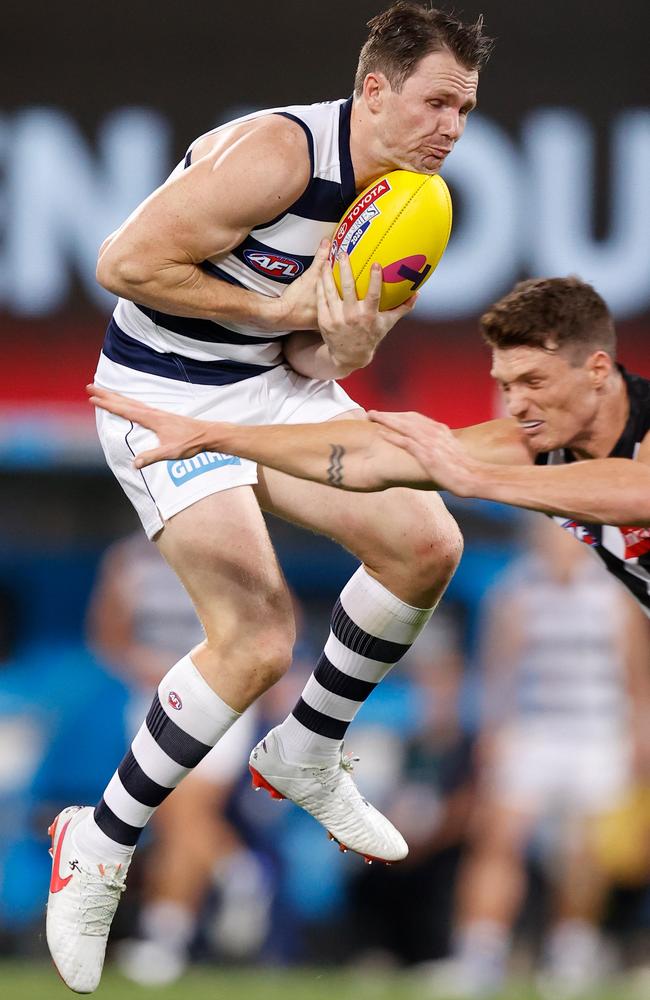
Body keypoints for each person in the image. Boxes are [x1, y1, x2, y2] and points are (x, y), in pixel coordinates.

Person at [47, 3, 493, 992]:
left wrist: (348, 342)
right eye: (435, 103)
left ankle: (306, 748)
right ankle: (101, 837)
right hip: (157, 392)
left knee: (426, 543)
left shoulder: (417, 198)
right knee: (254, 637)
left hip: (270, 388)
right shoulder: (277, 153)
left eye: (463, 109)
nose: (450, 128)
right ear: (374, 91)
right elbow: (121, 263)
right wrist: (281, 308)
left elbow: (306, 348)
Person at [91, 276, 650, 624]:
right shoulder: (533, 442)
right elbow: (369, 459)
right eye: (507, 386)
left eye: (534, 382)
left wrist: (476, 479)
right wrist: (217, 435)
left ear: (598, 370)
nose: (517, 404)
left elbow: (637, 489)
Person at [430, 517, 650, 998]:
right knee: (498, 840)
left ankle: (571, 950)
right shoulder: (515, 591)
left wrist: (639, 736)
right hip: (531, 733)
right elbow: (497, 672)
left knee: (585, 852)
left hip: (597, 735)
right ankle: (480, 954)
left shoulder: (613, 593)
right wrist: (492, 733)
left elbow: (635, 676)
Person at [86, 533, 268, 985]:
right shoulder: (127, 558)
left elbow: (275, 618)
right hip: (153, 698)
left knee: (187, 810)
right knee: (171, 819)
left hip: (221, 695)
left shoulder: (229, 540)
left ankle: (166, 938)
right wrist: (142, 663)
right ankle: (233, 869)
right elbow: (107, 634)